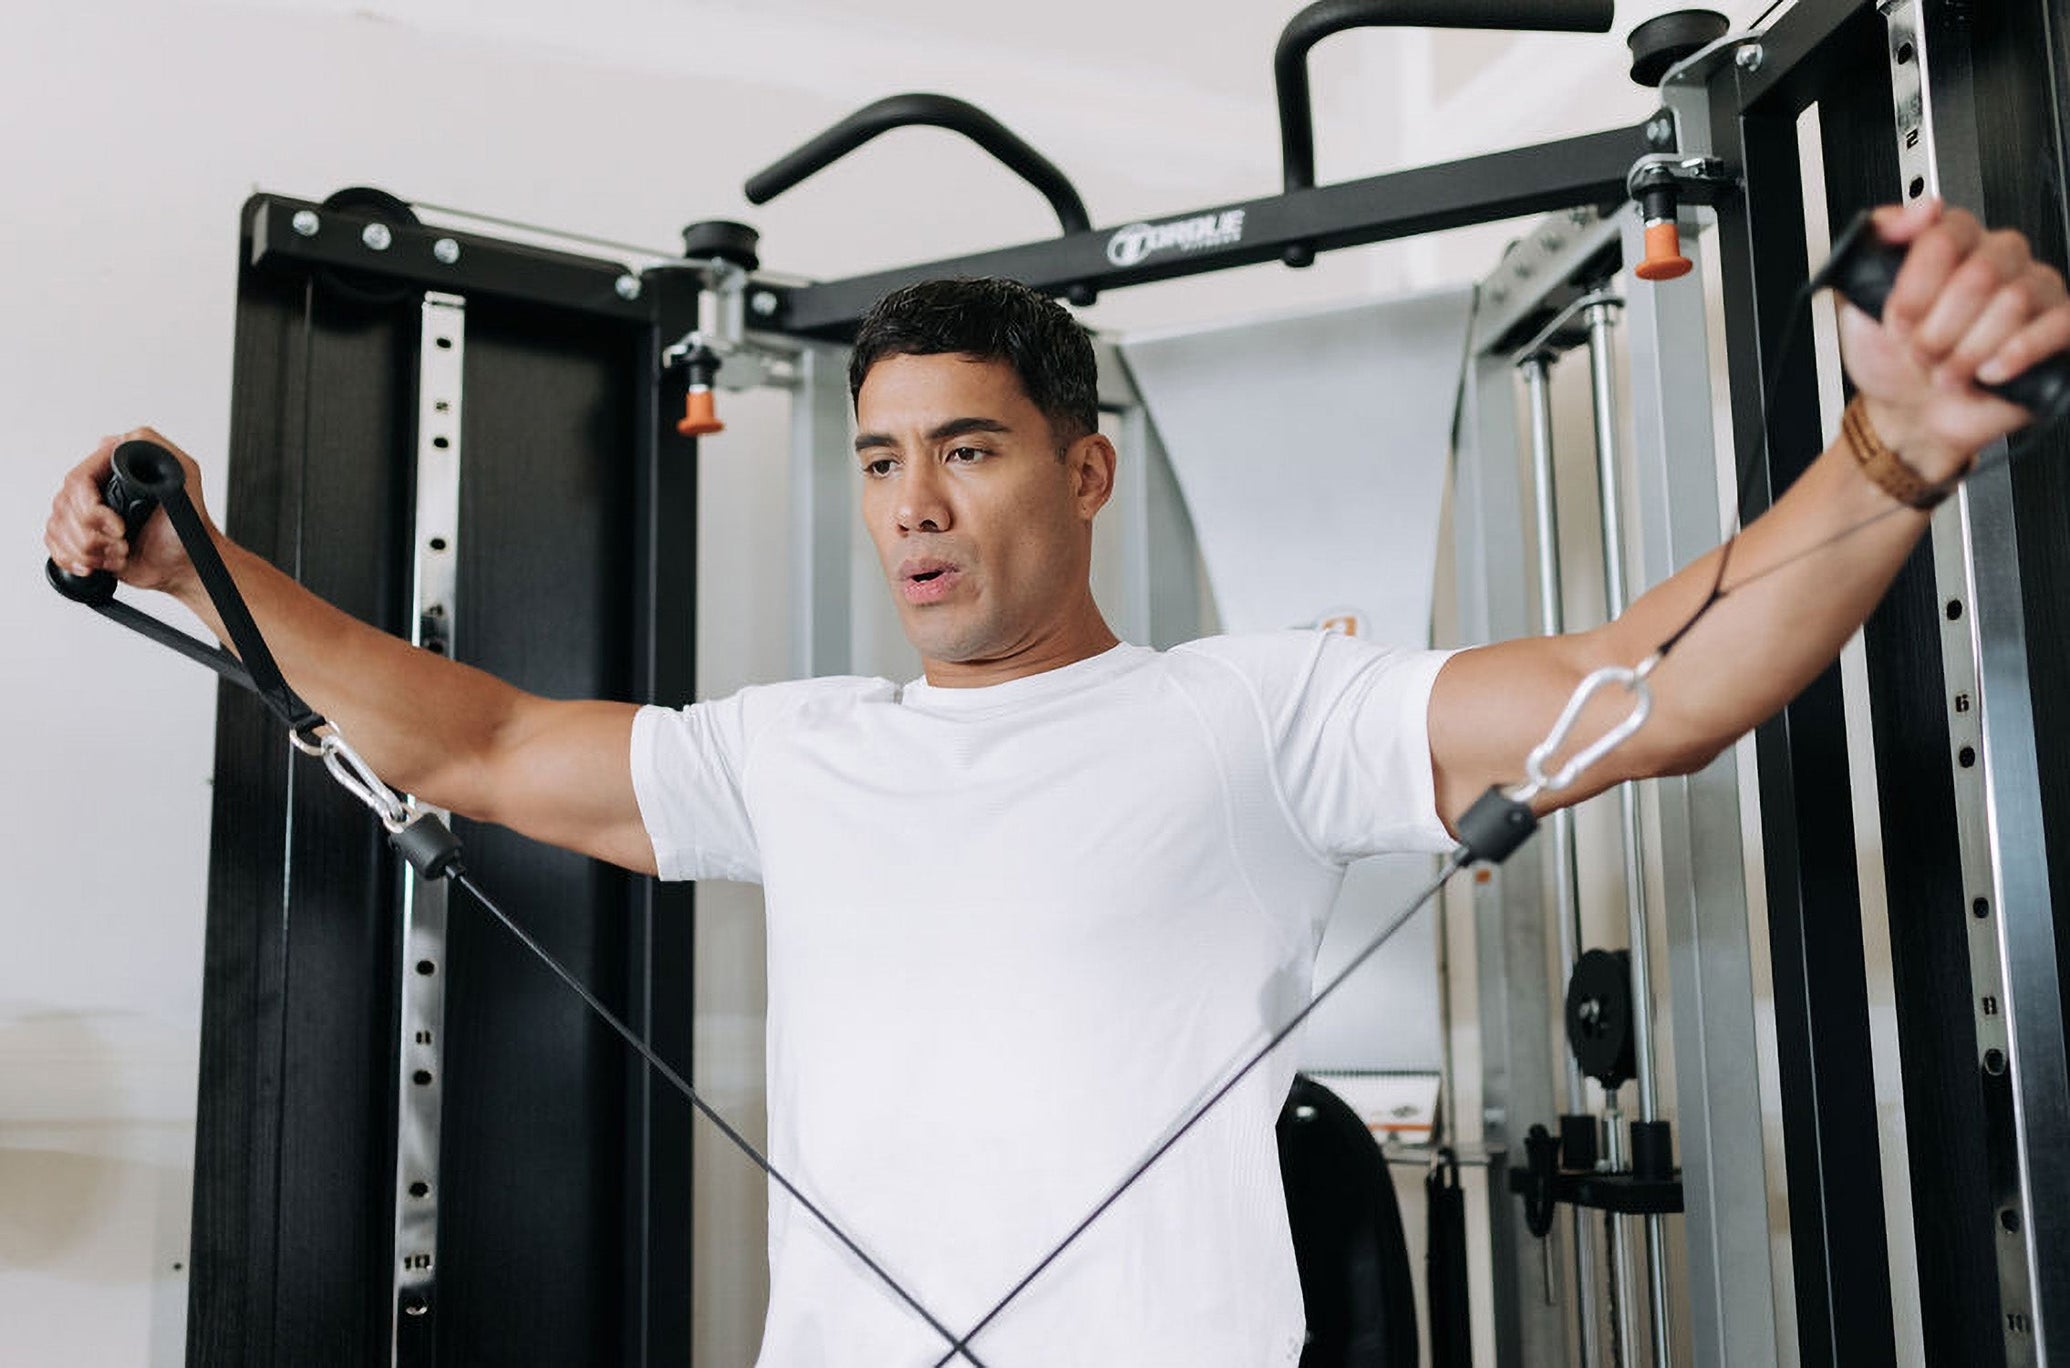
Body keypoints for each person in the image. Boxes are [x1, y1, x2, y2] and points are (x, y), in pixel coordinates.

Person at [43, 199, 2070, 1367]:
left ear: (1081, 471)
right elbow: (469, 743)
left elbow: (1658, 688)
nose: (913, 513)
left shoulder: (1253, 714)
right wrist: (204, 573)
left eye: (971, 451)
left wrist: (1889, 452)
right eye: (876, 461)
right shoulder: (804, 752)